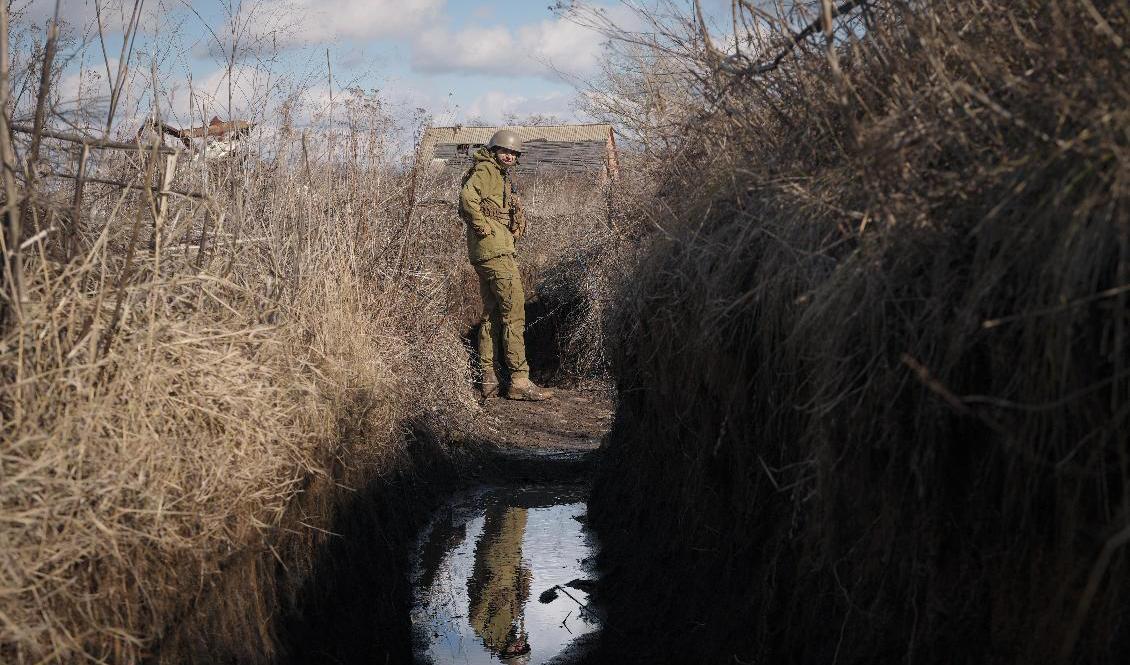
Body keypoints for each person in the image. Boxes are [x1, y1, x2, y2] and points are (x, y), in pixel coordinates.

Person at [460, 128, 554, 401]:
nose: (510, 156)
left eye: (514, 152)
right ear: (494, 151)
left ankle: (487, 378)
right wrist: (484, 228)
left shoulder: (494, 173)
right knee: (514, 315)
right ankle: (519, 381)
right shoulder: (487, 171)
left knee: (492, 315)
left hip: (486, 254)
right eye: (505, 150)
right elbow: (468, 199)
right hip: (496, 253)